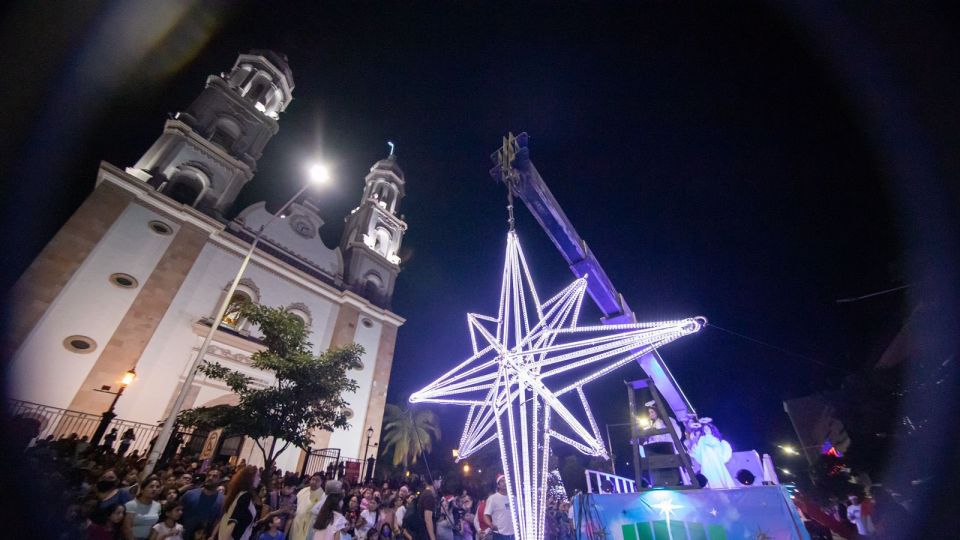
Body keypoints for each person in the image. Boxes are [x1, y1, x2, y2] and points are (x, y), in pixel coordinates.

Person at [640, 401, 683, 486]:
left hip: (669, 449)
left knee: (673, 472)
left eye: (652, 412)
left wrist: (661, 436)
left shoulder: (668, 420)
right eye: (649, 413)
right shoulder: (652, 425)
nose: (650, 414)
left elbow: (677, 434)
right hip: (657, 451)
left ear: (657, 411)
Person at [687, 420, 736, 489]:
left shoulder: (716, 439)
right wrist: (693, 442)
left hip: (717, 463)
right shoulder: (702, 439)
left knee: (722, 477)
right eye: (704, 428)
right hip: (706, 463)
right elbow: (697, 451)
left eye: (707, 428)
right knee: (709, 479)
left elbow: (721, 452)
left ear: (711, 429)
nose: (706, 429)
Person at [218, 465, 262, 540]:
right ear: (250, 478)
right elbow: (232, 522)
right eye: (257, 476)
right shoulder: (245, 496)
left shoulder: (238, 494)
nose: (260, 479)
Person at [181, 469, 224, 540]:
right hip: (183, 535)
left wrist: (212, 536)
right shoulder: (190, 494)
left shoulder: (222, 500)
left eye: (214, 476)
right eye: (209, 475)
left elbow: (219, 520)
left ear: (220, 480)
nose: (210, 478)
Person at [291, 473, 326, 540]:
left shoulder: (323, 496)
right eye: (313, 479)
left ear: (322, 482)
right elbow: (295, 504)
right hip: (296, 520)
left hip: (309, 524)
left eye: (317, 480)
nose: (314, 482)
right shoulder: (303, 490)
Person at [483, 476, 514, 540]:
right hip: (499, 534)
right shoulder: (493, 498)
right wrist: (491, 525)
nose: (505, 483)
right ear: (498, 485)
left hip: (513, 534)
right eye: (502, 481)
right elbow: (486, 515)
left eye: (506, 481)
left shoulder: (514, 498)